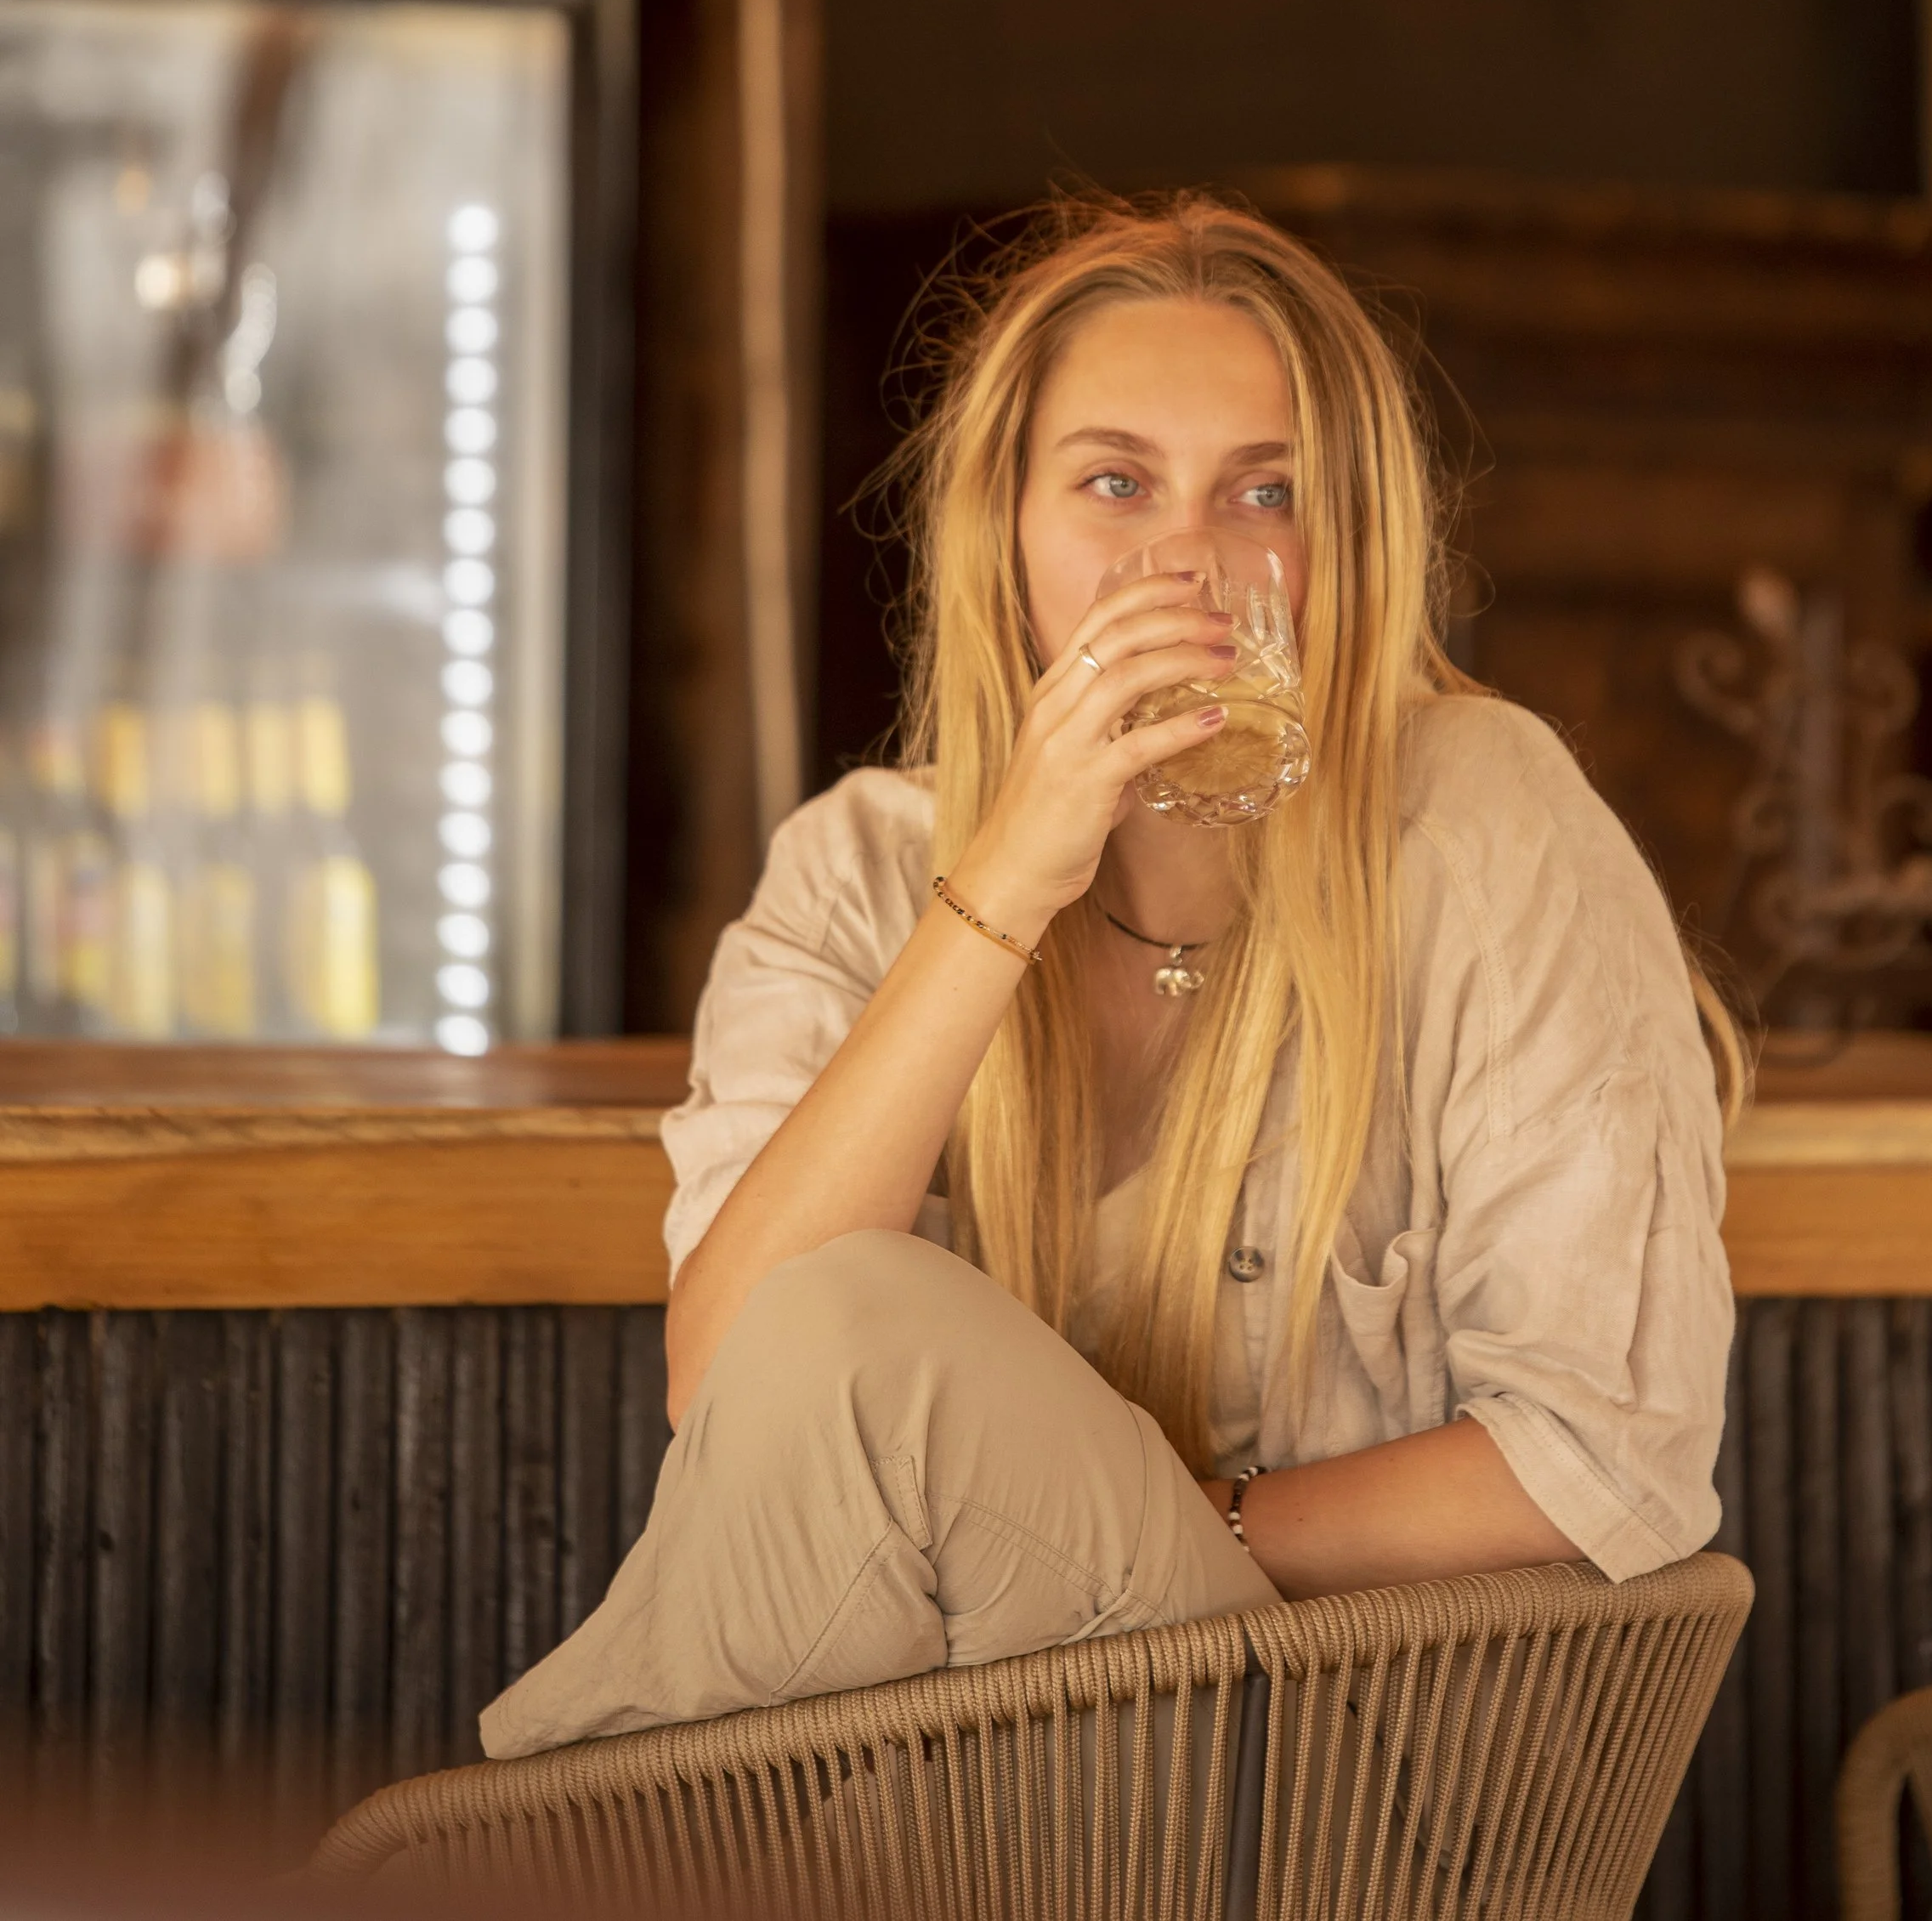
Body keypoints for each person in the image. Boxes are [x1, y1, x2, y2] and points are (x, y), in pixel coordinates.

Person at [484, 196, 1738, 1756]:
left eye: (1264, 491)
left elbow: (1603, 1459)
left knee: (870, 1332)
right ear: (1005, 531)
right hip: (967, 1773)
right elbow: (732, 1386)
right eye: (1116, 483)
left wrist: (1172, 1518)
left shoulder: (1484, 820)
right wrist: (1005, 881)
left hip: (1342, 1760)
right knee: (829, 1337)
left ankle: (528, 1836)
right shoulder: (862, 869)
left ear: (1345, 543)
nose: (1188, 562)